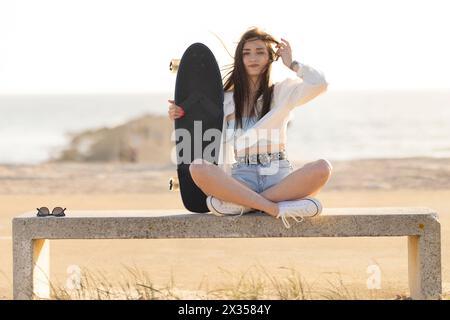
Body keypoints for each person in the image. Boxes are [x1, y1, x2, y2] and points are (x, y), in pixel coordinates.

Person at [168, 27, 332, 228]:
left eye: (260, 52)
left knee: (323, 167)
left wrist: (292, 63)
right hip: (242, 176)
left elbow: (320, 84)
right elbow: (200, 122)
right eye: (247, 53)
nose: (253, 57)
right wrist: (179, 113)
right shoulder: (226, 99)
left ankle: (246, 204)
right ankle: (275, 207)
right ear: (240, 59)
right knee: (197, 167)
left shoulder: (283, 92)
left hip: (278, 175)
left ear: (270, 57)